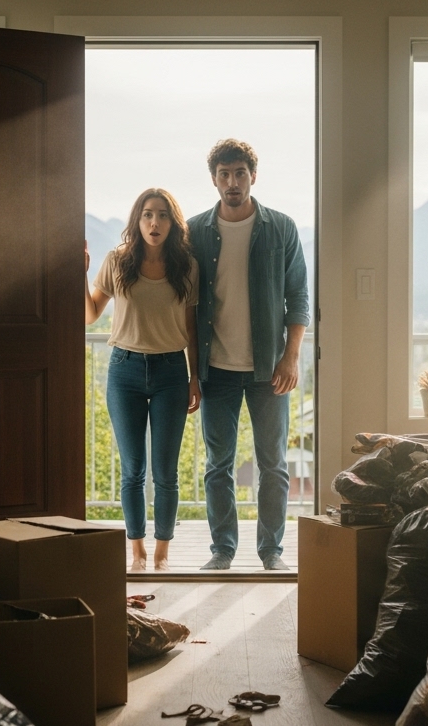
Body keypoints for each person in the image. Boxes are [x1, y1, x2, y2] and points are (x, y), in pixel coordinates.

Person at [187, 139, 310, 571]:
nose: (232, 182)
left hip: (268, 368)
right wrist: (192, 374)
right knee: (217, 465)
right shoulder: (195, 231)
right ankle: (222, 550)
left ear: (253, 176)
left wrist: (291, 357)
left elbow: (298, 298)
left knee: (273, 464)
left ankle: (270, 551)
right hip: (215, 368)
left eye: (240, 173)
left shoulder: (281, 228)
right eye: (224, 174)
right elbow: (183, 302)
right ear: (214, 179)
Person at [85, 188, 201, 571]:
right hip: (125, 371)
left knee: (166, 471)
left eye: (163, 215)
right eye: (148, 214)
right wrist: (80, 273)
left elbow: (191, 327)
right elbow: (90, 315)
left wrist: (194, 377)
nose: (155, 222)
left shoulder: (186, 266)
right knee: (133, 469)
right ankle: (136, 553)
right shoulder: (118, 262)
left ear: (173, 222)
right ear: (137, 220)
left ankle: (162, 554)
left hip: (171, 373)